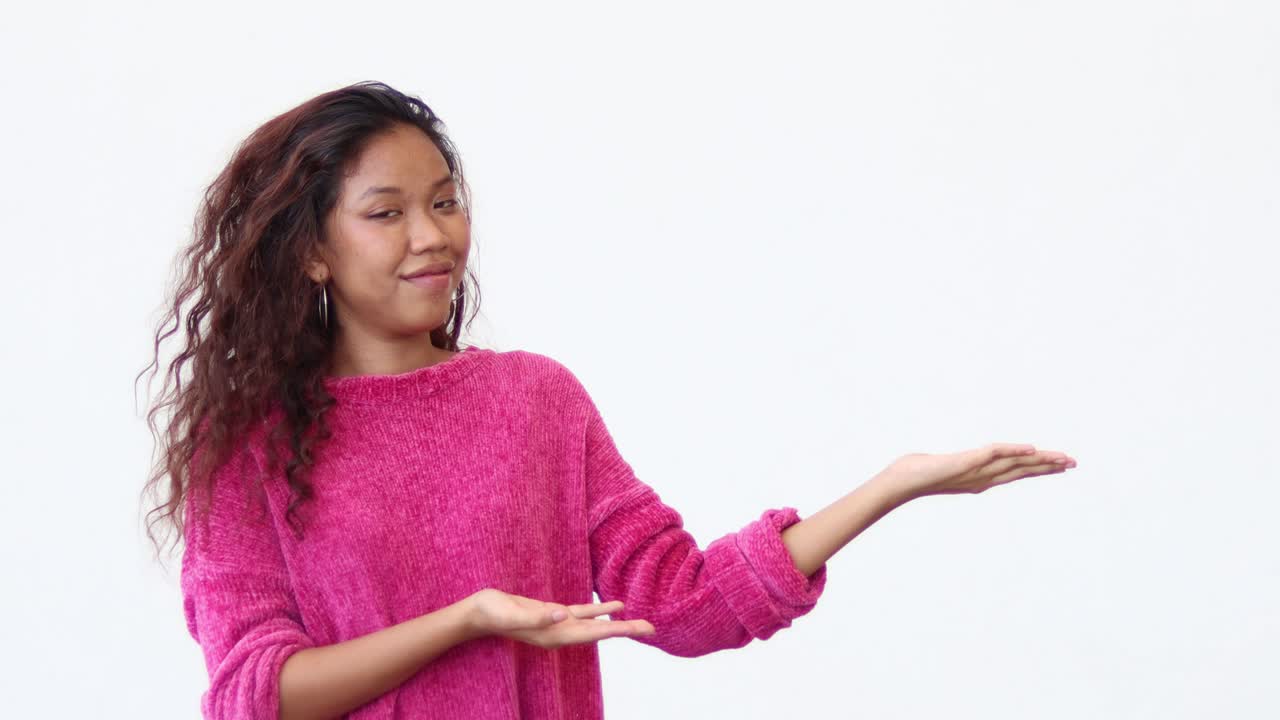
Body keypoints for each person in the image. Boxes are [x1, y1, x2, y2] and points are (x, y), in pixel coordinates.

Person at [137, 80, 1077, 720]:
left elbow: (684, 603)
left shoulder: (535, 400)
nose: (431, 235)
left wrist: (893, 485)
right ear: (311, 250)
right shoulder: (248, 441)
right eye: (386, 213)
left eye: (445, 201)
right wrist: (466, 619)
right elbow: (254, 696)